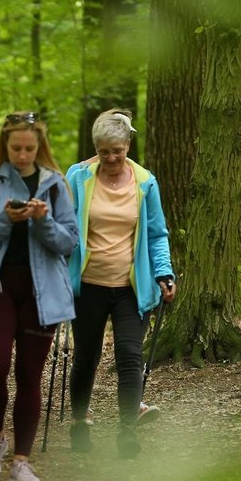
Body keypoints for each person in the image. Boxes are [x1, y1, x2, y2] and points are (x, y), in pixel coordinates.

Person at [0, 111, 78, 481]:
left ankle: (22, 461)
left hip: (41, 292)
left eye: (30, 148)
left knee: (30, 375)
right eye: (17, 148)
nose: (24, 155)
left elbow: (69, 242)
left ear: (40, 146)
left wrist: (42, 220)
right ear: (5, 146)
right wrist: (6, 221)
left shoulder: (56, 184)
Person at [65, 109, 176, 458]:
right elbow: (64, 226)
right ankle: (80, 422)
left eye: (118, 149)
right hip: (88, 285)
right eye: (104, 151)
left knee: (130, 355)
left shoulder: (146, 182)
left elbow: (157, 235)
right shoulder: (79, 178)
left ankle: (127, 429)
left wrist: (164, 272)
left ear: (128, 144)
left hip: (132, 286)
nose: (111, 157)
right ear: (95, 149)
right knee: (86, 357)